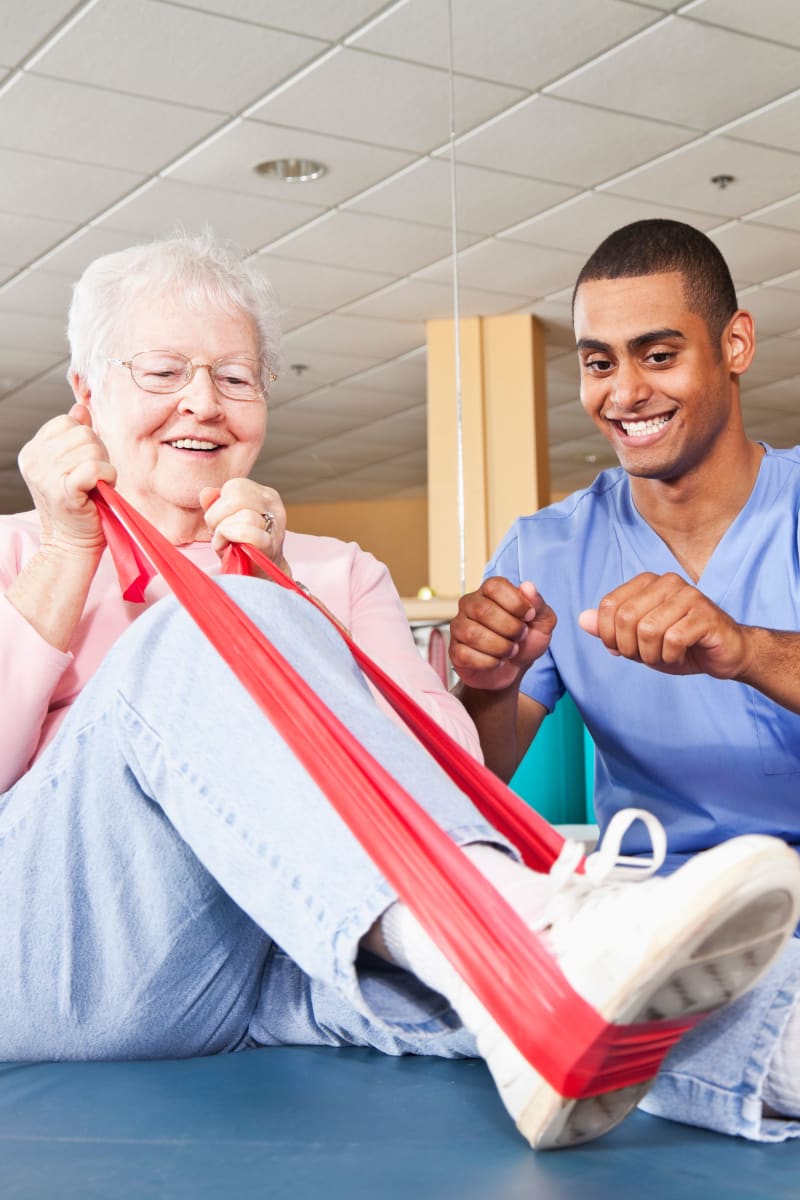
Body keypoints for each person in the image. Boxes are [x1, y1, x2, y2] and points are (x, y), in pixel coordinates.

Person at [2, 232, 798, 1155]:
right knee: (204, 623)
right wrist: (72, 556)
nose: (201, 403)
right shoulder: (20, 552)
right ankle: (523, 941)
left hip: (260, 961)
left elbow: (449, 794)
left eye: (234, 377)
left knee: (530, 988)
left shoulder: (338, 574)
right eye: (162, 371)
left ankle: (764, 1045)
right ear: (87, 397)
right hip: (58, 957)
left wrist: (279, 589)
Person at [449, 217, 800, 1141]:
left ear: (734, 345)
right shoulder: (547, 547)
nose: (625, 392)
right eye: (599, 362)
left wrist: (746, 648)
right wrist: (485, 686)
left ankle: (638, 1055)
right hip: (658, 929)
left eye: (657, 353)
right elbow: (474, 781)